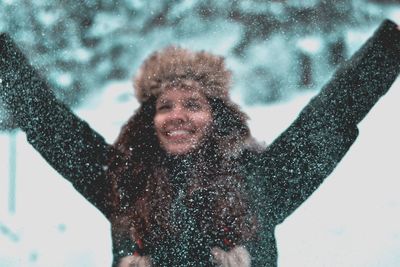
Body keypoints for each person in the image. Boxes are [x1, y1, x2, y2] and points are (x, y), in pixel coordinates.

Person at [0, 19, 399, 267]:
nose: (177, 116)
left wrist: (391, 46)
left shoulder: (263, 180)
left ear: (216, 117)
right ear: (148, 121)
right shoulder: (121, 180)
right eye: (164, 106)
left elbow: (331, 116)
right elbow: (49, 124)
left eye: (194, 104)